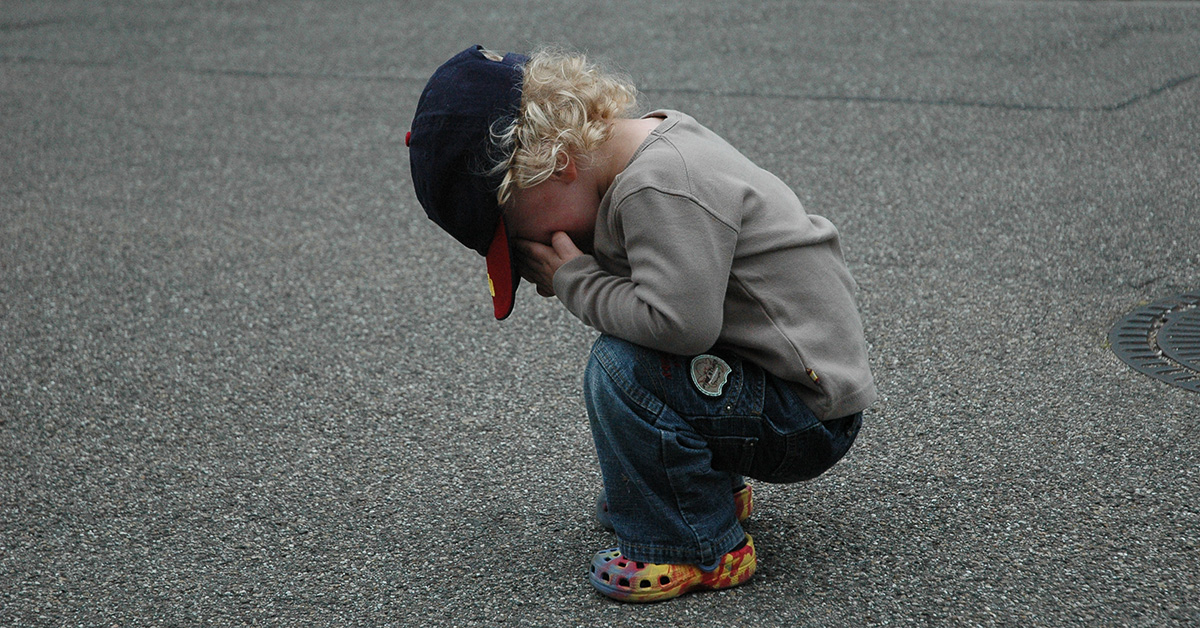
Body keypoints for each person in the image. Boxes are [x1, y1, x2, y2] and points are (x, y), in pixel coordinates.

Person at [407, 45, 876, 603]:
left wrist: (575, 280)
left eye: (515, 230)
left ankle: (693, 544)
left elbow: (677, 325)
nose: (532, 250)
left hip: (805, 415)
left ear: (554, 163)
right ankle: (690, 494)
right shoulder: (644, 154)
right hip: (782, 386)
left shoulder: (660, 186)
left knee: (623, 366)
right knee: (635, 360)